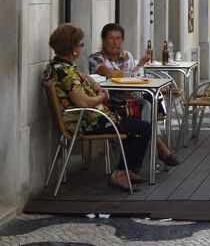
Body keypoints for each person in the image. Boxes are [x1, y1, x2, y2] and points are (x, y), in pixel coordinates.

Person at [44, 24, 152, 192]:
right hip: (86, 121)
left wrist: (91, 82)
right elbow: (84, 103)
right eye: (80, 44)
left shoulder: (59, 67)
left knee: (135, 121)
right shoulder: (64, 72)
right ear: (73, 48)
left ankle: (127, 170)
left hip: (89, 117)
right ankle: (120, 173)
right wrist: (103, 96)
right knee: (142, 128)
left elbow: (81, 86)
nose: (81, 48)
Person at [88, 23, 179, 167]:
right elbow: (110, 74)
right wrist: (132, 72)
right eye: (111, 38)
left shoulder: (127, 55)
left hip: (131, 96)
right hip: (111, 100)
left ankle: (151, 144)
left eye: (118, 38)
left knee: (150, 102)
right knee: (147, 104)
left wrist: (139, 66)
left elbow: (133, 77)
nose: (115, 42)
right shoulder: (95, 58)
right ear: (103, 40)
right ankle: (159, 147)